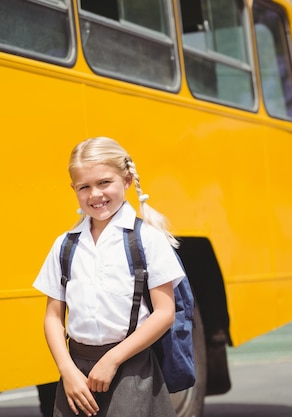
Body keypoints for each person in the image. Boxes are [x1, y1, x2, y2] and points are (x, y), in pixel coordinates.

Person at [33, 137, 185, 417]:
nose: (95, 195)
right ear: (73, 189)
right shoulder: (65, 245)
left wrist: (112, 359)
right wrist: (67, 371)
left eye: (104, 183)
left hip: (131, 371)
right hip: (77, 378)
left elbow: (165, 313)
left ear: (126, 180)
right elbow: (53, 316)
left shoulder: (147, 240)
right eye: (84, 187)